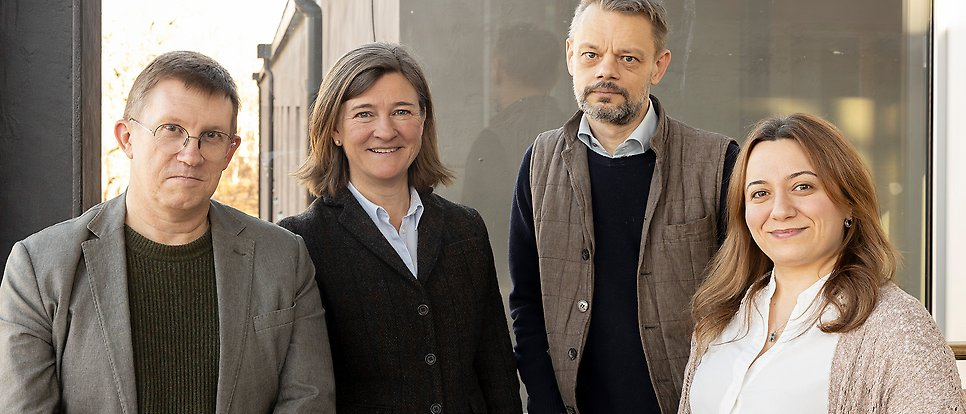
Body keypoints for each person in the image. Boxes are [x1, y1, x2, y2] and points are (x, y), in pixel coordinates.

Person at [0, 51, 336, 413]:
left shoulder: (284, 258)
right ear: (127, 138)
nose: (191, 154)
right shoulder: (39, 268)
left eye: (211, 135)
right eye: (171, 130)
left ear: (230, 151)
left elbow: (308, 402)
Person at [508, 0, 739, 413]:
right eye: (591, 55)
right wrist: (546, 403)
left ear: (659, 66)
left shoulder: (718, 162)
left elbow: (748, 296)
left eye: (627, 58)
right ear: (570, 56)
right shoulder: (539, 163)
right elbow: (527, 300)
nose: (605, 71)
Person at [278, 43, 522, 414]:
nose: (385, 130)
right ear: (334, 130)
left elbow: (497, 370)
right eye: (363, 113)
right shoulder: (300, 243)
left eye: (402, 111)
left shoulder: (466, 229)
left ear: (422, 123)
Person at [681, 113, 966, 413]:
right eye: (760, 193)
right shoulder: (719, 316)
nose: (780, 210)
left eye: (803, 187)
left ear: (849, 202)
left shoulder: (898, 327)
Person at [463, 23, 567, 286]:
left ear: (497, 68)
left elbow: (471, 241)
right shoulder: (581, 134)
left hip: (511, 295)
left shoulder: (489, 144)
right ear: (556, 74)